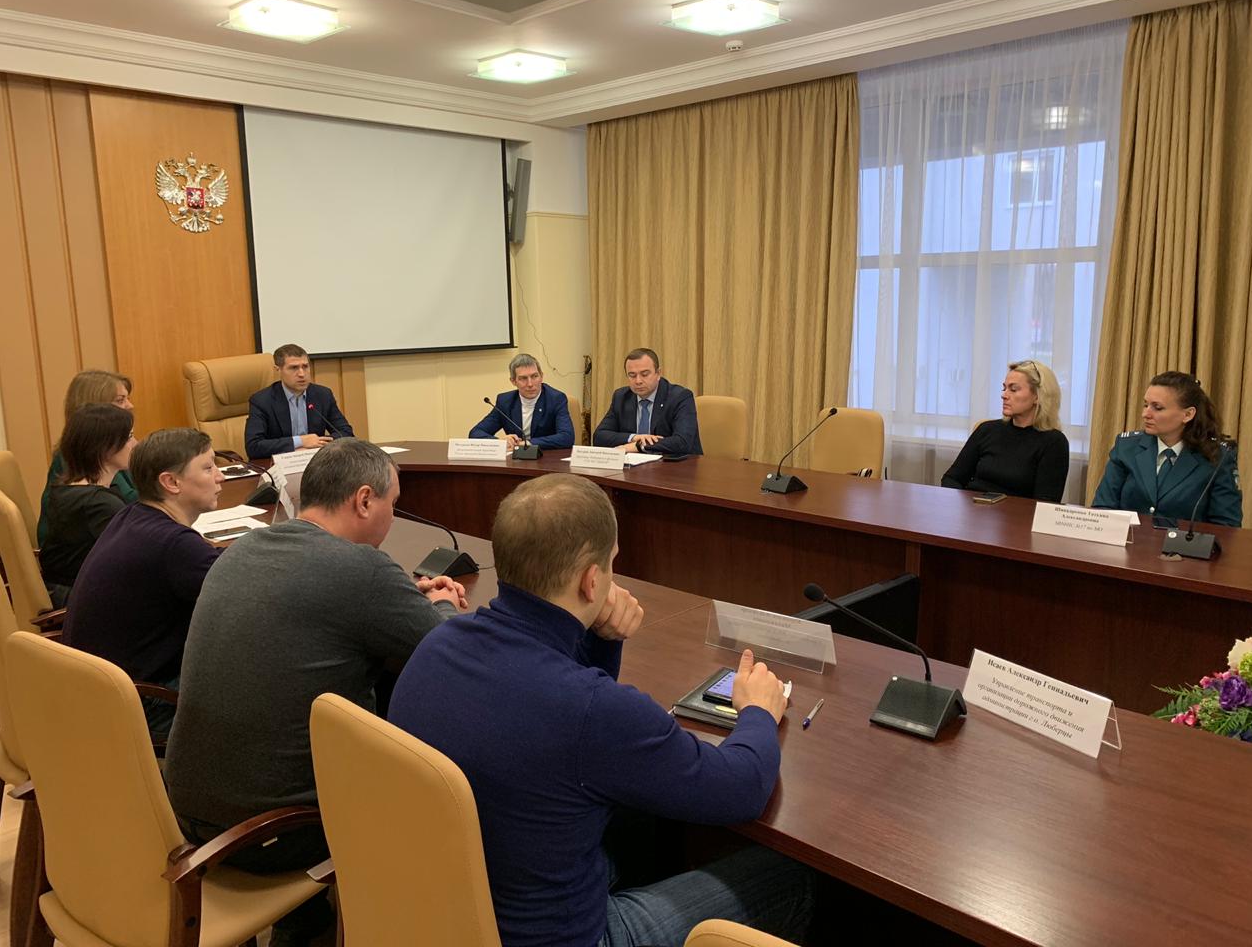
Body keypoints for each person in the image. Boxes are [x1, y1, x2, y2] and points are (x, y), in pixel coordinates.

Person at [389, 474, 811, 947]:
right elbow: (741, 789)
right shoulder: (592, 710)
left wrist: (601, 637)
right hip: (561, 937)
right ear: (592, 580)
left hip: (448, 917)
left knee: (638, 827)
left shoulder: (438, 644)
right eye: (611, 565)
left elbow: (574, 738)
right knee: (791, 876)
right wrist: (758, 711)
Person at [164, 439, 466, 947]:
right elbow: (447, 652)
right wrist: (443, 604)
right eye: (393, 503)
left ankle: (305, 922)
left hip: (187, 807)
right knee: (433, 787)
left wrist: (401, 599)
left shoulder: (244, 549)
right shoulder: (362, 569)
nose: (393, 517)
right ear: (364, 500)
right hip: (271, 833)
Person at [61, 428, 222, 736]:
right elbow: (249, 599)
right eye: (208, 467)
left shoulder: (133, 515)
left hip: (91, 694)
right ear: (171, 482)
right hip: (138, 704)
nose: (220, 476)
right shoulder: (175, 545)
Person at [1092, 371, 1242, 526]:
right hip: (1130, 539)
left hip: (1184, 542)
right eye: (1146, 405)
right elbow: (1103, 508)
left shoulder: (1217, 456)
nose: (1145, 414)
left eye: (1157, 408)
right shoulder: (1127, 447)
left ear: (1188, 414)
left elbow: (1226, 526)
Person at [39, 404, 137, 607]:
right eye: (129, 437)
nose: (135, 444)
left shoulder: (69, 488)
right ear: (105, 447)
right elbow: (137, 558)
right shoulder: (98, 504)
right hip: (82, 600)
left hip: (68, 588)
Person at [941, 360, 1070, 502]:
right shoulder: (986, 430)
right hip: (972, 509)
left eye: (1013, 389)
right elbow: (951, 479)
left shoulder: (1053, 442)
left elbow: (1045, 503)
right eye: (1004, 388)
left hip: (1014, 515)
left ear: (1037, 396)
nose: (1004, 395)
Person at [37, 368, 138, 548]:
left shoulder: (113, 459)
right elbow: (128, 504)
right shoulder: (80, 462)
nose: (130, 406)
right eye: (120, 400)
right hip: (83, 552)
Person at [245, 344, 354, 459]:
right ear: (278, 370)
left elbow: (346, 433)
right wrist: (300, 441)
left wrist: (319, 444)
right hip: (281, 463)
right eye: (294, 368)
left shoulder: (323, 395)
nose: (302, 374)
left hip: (316, 461)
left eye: (305, 367)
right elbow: (253, 446)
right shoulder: (262, 401)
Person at [592, 348, 702, 455]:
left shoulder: (680, 397)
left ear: (658, 373)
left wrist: (639, 446)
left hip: (676, 464)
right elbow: (599, 437)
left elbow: (682, 442)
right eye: (632, 375)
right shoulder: (621, 397)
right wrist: (633, 438)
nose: (638, 381)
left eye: (644, 374)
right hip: (634, 465)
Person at [468, 353, 575, 450]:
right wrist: (500, 442)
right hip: (516, 459)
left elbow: (567, 437)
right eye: (523, 378)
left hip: (547, 457)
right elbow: (475, 433)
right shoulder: (505, 402)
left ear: (541, 376)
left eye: (534, 376)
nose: (530, 384)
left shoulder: (556, 399)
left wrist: (528, 443)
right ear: (513, 381)